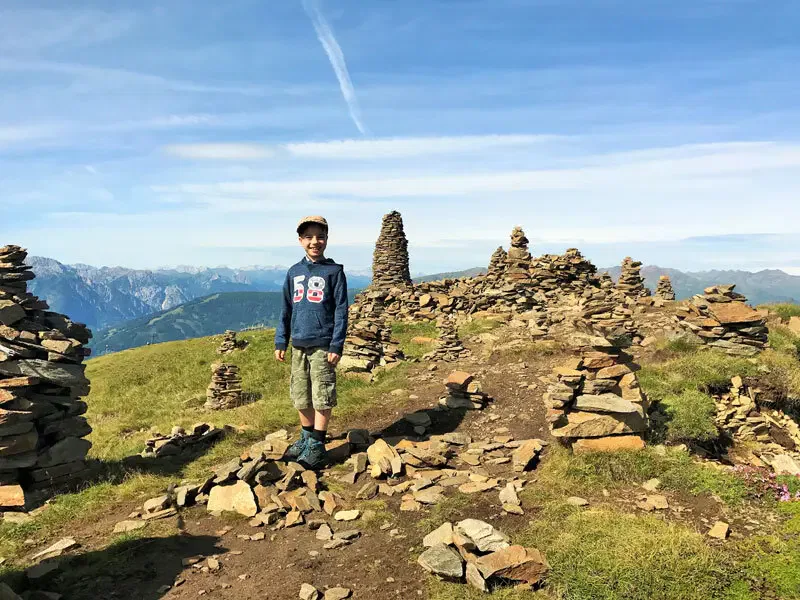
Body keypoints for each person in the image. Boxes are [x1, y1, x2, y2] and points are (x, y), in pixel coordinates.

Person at [274, 216, 348, 469]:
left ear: (326, 239)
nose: (314, 242)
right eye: (308, 237)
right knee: (300, 393)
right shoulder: (293, 272)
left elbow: (341, 310)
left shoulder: (334, 272)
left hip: (323, 343)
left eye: (320, 236)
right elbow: (286, 308)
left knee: (322, 393)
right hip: (298, 343)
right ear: (300, 240)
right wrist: (281, 340)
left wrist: (336, 345)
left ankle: (317, 444)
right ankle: (306, 437)